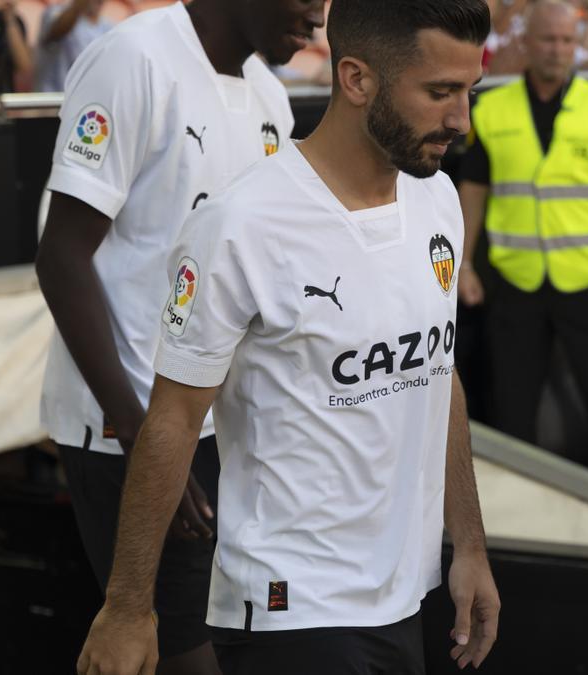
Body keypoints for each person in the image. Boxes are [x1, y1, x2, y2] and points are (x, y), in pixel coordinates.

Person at [75, 0, 501, 672]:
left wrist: (469, 544)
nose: (461, 119)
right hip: (289, 610)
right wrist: (128, 605)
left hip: (403, 599)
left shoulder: (438, 199)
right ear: (357, 79)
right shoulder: (243, 223)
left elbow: (437, 373)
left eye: (469, 92)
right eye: (440, 92)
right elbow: (174, 417)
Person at [34, 0, 325, 672]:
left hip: (217, 424)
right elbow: (62, 256)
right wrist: (142, 434)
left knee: (223, 637)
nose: (317, 21)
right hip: (127, 424)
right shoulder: (134, 59)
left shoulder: (272, 100)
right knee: (176, 648)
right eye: (305, 0)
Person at [459, 0, 588, 479]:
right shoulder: (489, 110)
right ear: (527, 44)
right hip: (515, 281)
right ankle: (516, 518)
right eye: (548, 39)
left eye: (567, 41)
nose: (557, 50)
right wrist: (463, 264)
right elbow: (472, 192)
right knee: (513, 410)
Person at [34, 0, 112, 93]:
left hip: (86, 100)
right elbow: (55, 32)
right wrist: (78, 6)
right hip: (53, 98)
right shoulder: (55, 12)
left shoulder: (108, 27)